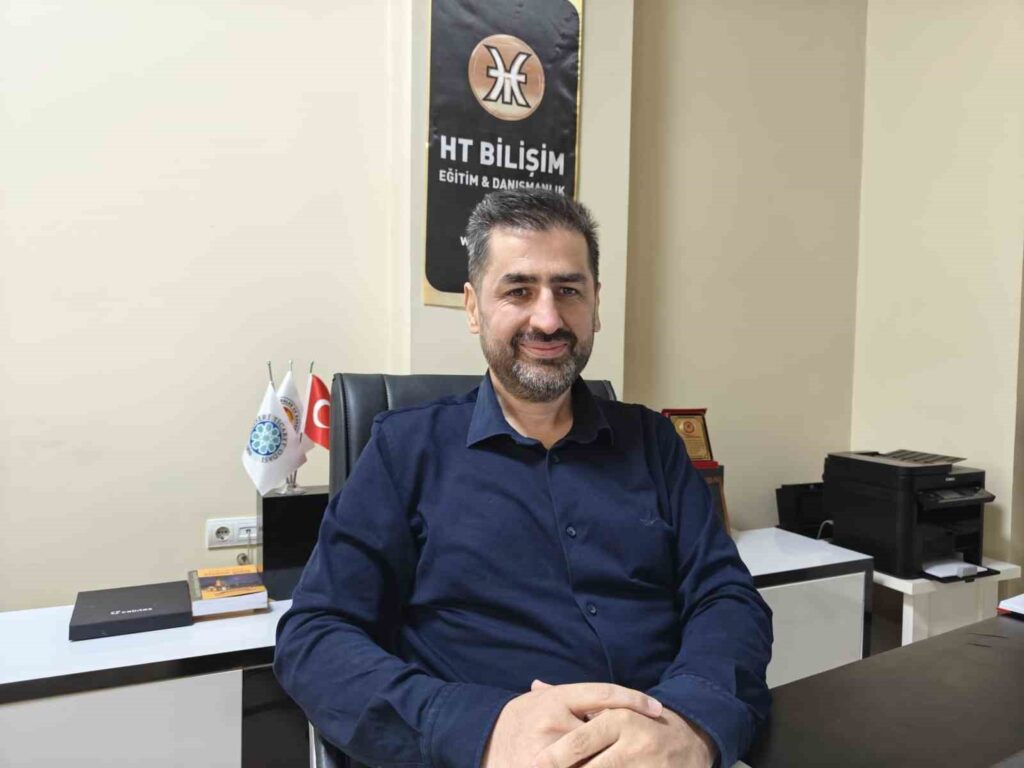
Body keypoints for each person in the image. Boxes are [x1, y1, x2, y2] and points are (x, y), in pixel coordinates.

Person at [274, 189, 772, 768]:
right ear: (473, 308)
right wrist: (481, 730)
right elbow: (315, 636)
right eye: (518, 290)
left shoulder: (654, 443)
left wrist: (693, 724)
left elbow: (726, 597)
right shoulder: (403, 451)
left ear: (596, 304)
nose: (548, 319)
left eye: (569, 290)